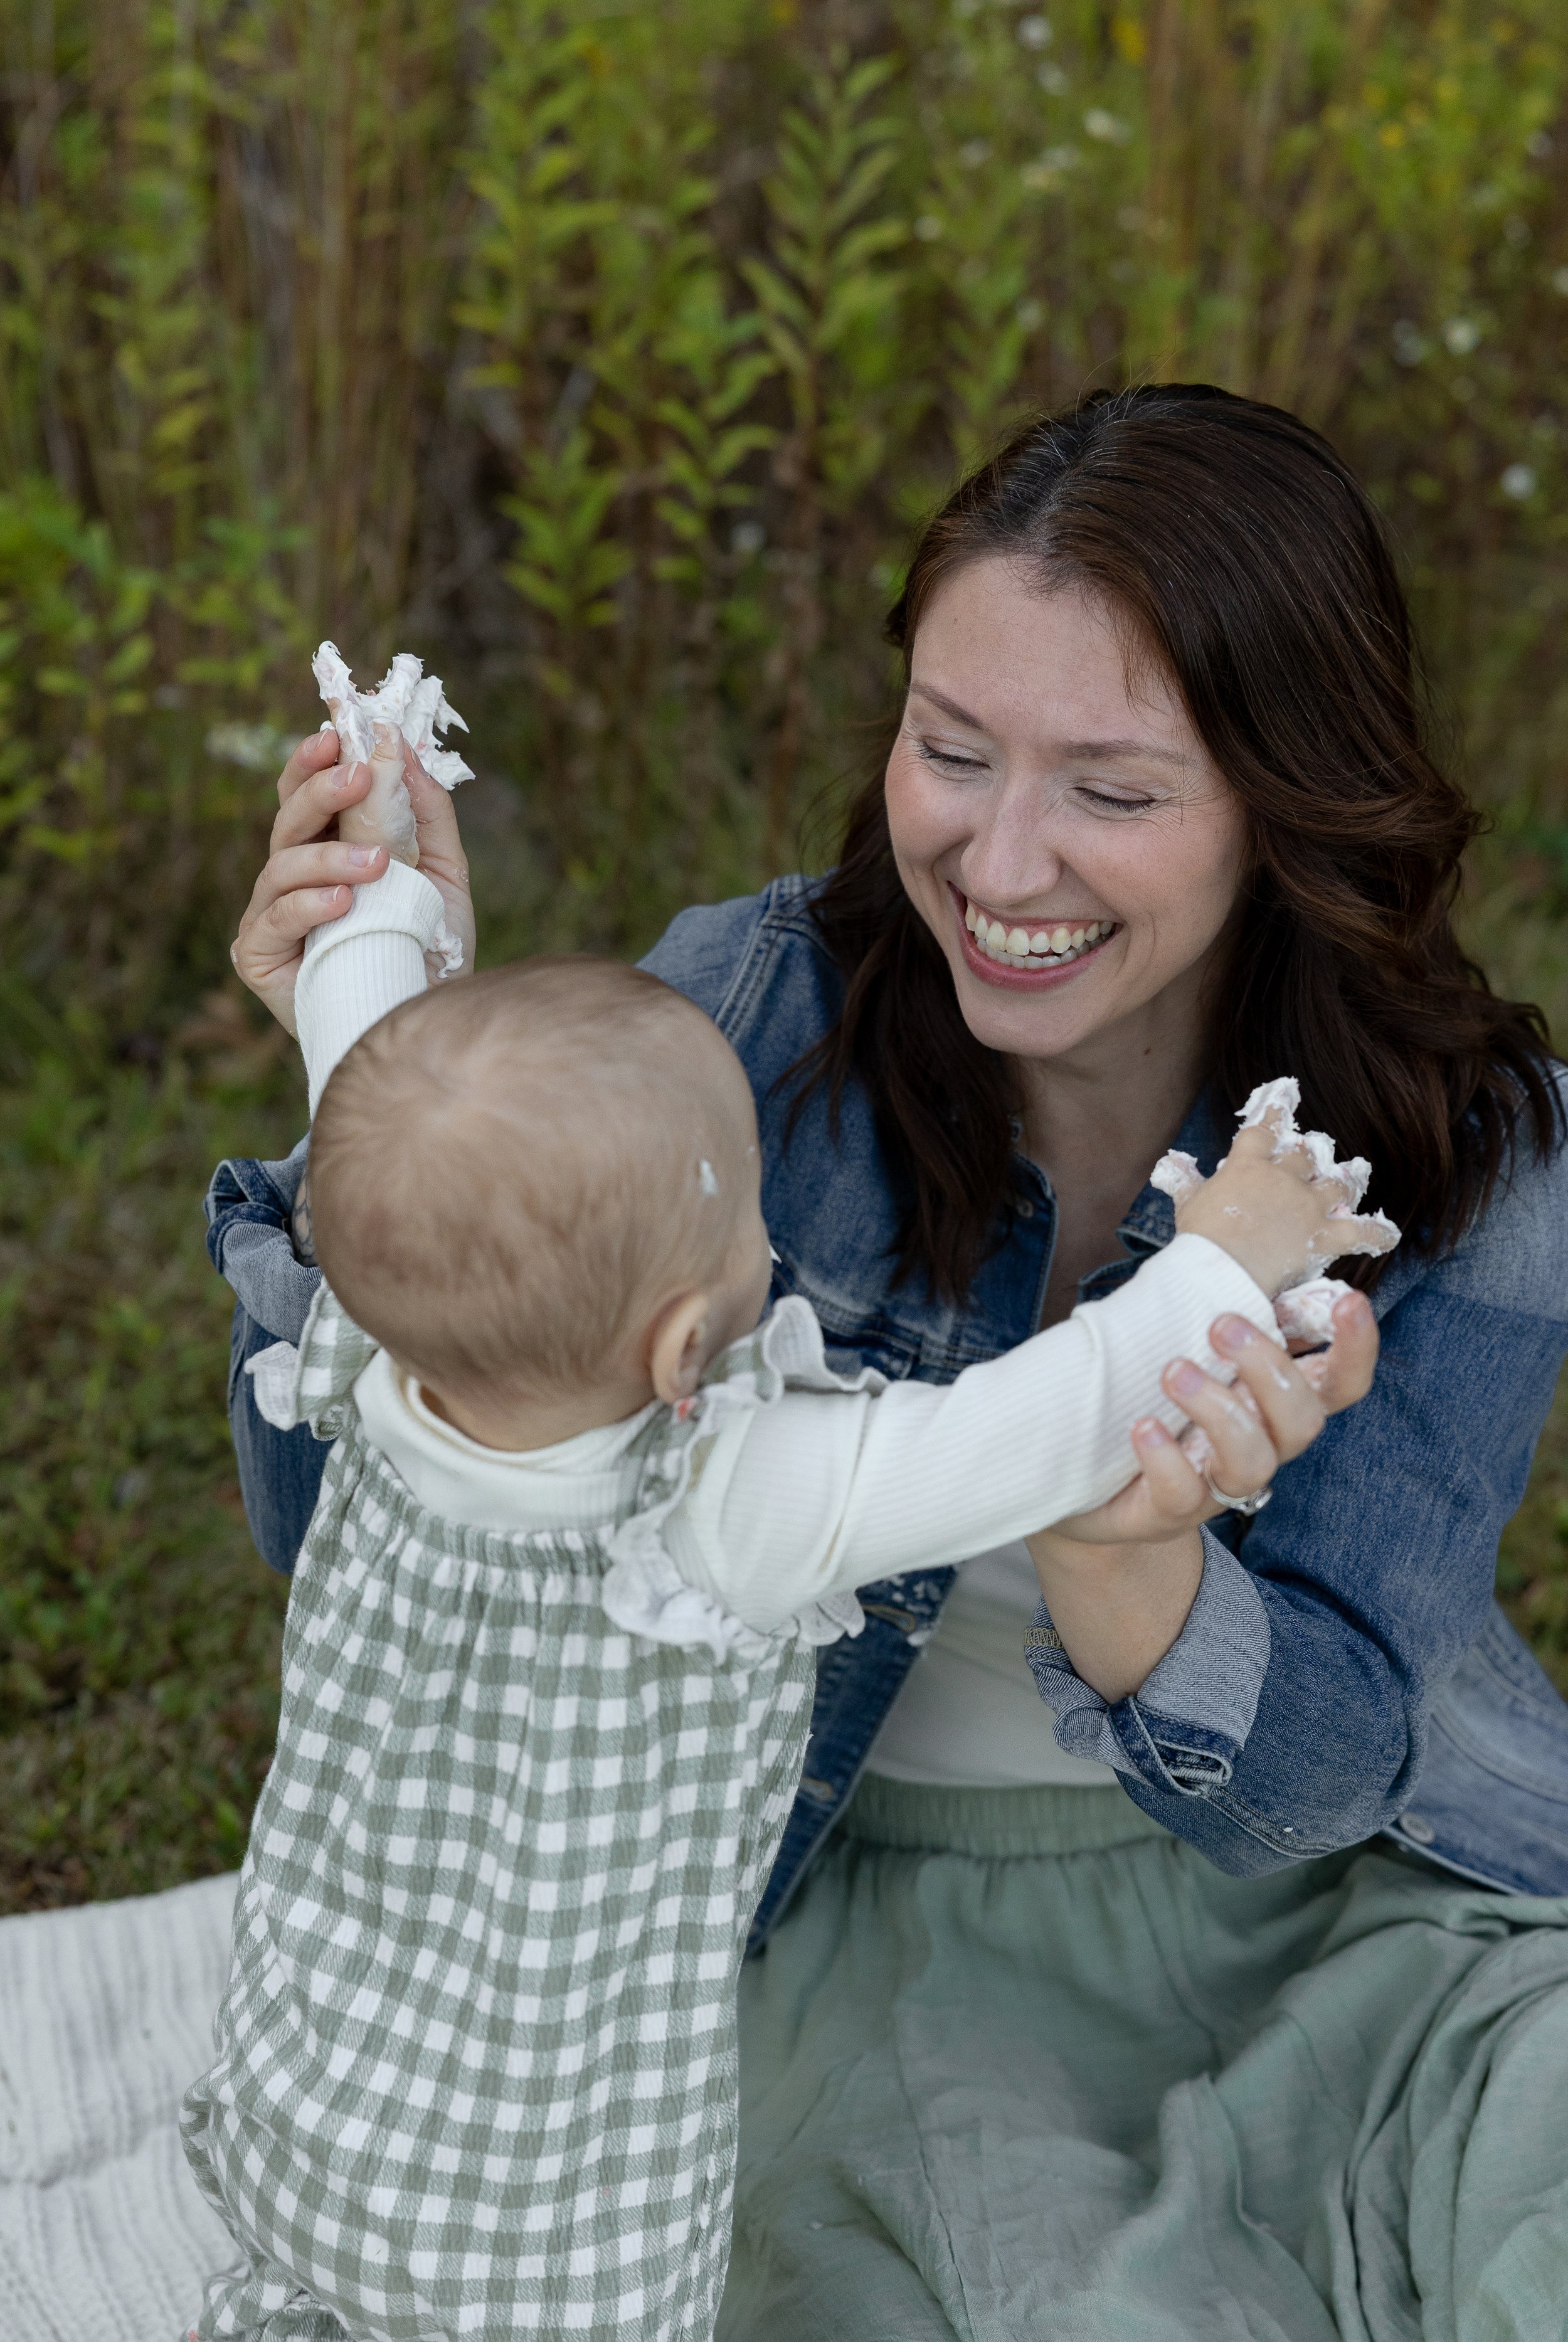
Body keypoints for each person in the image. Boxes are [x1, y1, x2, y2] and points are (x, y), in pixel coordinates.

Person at [217, 386, 1568, 2338]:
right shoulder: (751, 1016)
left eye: (1110, 789)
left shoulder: (1482, 1146)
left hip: (1359, 1900)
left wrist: (1128, 1558)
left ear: (1286, 794)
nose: (997, 858)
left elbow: (1322, 1779)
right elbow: (376, 1537)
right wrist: (379, 1112)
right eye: (948, 749)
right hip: (863, 1889)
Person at [182, 856, 1376, 2342]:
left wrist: (384, 901)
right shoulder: (721, 1507)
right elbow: (1027, 1426)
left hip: (323, 2106)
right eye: (748, 1208)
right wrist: (1217, 1262)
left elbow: (363, 1066)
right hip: (552, 2228)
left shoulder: (368, 1349)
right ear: (685, 1343)